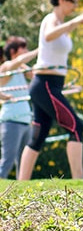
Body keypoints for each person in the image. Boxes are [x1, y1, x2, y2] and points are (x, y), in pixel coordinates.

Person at [19, 0, 83, 180]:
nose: (75, 7)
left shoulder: (62, 24)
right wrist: (79, 19)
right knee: (76, 126)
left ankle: (21, 183)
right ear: (62, 0)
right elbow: (48, 36)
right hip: (45, 84)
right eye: (73, 2)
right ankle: (78, 178)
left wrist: (82, 21)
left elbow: (61, 35)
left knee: (38, 136)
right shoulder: (49, 20)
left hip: (50, 85)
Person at [1, 37, 38, 179]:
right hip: (11, 121)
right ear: (13, 51)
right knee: (7, 162)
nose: (27, 51)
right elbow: (17, 62)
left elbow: (35, 76)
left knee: (23, 165)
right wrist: (40, 50)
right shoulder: (6, 68)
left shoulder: (21, 69)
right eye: (24, 48)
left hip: (25, 121)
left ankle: (21, 194)